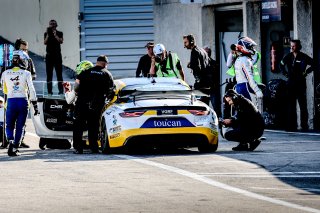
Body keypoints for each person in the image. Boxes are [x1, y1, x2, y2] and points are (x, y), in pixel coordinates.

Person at [73, 55, 115, 154]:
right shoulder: (107, 74)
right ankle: (94, 148)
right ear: (105, 64)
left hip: (82, 103)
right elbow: (111, 91)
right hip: (96, 105)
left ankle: (78, 148)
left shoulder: (85, 72)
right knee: (94, 126)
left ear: (97, 62)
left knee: (78, 126)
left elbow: (76, 87)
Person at [1, 53, 39, 156]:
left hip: (11, 101)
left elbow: (3, 89)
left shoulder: (5, 73)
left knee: (9, 125)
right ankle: (15, 147)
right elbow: (31, 89)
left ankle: (10, 141)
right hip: (23, 101)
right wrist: (35, 104)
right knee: (20, 126)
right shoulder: (26, 73)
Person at [279, 39, 314, 131]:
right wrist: (285, 73)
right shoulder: (288, 56)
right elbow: (281, 64)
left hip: (300, 83)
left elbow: (314, 64)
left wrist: (306, 72)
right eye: (291, 46)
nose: (291, 47)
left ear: (298, 47)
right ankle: (291, 126)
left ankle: (304, 126)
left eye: (293, 46)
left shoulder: (303, 57)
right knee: (291, 105)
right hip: (290, 83)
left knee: (303, 105)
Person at [183, 34, 212, 105]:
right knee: (205, 104)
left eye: (186, 42)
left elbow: (197, 67)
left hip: (201, 84)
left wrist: (198, 81)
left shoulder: (194, 52)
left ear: (191, 42)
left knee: (198, 105)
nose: (184, 45)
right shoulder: (202, 50)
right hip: (207, 83)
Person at [233, 37, 263, 102]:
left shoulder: (239, 59)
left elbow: (253, 61)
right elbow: (249, 77)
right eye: (250, 47)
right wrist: (257, 90)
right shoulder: (244, 60)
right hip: (245, 87)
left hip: (239, 86)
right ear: (244, 47)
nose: (253, 49)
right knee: (251, 110)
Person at [44, 19, 64, 95]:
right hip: (49, 55)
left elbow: (61, 41)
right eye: (51, 24)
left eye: (53, 24)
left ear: (56, 25)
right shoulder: (46, 33)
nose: (52, 26)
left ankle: (61, 91)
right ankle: (49, 91)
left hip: (57, 55)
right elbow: (45, 42)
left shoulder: (59, 33)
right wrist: (48, 35)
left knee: (59, 74)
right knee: (49, 74)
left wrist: (55, 35)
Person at [203, 45, 219, 116]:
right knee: (203, 108)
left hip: (213, 88)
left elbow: (216, 76)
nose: (207, 53)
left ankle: (219, 123)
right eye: (205, 52)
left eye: (208, 52)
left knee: (216, 107)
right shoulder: (200, 63)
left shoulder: (214, 63)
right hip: (203, 89)